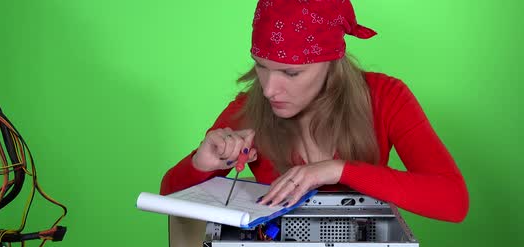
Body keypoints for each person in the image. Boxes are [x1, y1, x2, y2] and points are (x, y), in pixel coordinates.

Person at [160, 0, 469, 222]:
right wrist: (202, 164)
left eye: (291, 73)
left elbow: (453, 202)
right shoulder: (249, 109)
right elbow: (169, 199)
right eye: (262, 67)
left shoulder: (386, 97)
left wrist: (336, 169)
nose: (268, 89)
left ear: (331, 64)